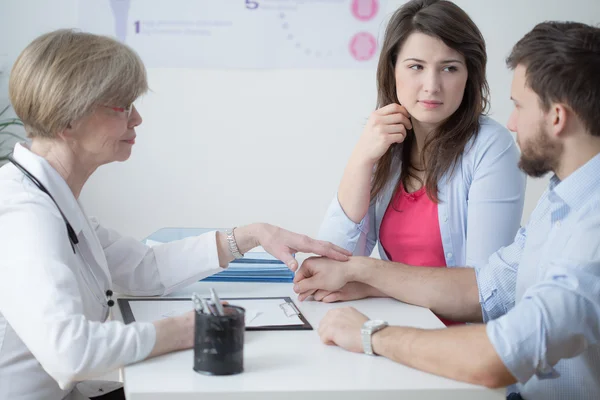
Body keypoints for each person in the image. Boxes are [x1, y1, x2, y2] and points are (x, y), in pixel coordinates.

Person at [0, 29, 351, 400]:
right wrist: (187, 330)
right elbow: (71, 354)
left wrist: (253, 234)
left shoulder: (52, 197)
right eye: (122, 106)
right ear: (67, 119)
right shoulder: (22, 214)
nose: (137, 119)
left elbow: (145, 270)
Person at [294, 20, 600, 400]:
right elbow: (485, 288)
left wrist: (371, 333)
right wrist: (362, 269)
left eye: (519, 106)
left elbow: (497, 356)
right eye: (416, 66)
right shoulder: (561, 202)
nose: (511, 123)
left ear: (557, 117)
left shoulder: (592, 233)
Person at [317, 0, 526, 321]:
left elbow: (485, 292)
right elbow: (330, 263)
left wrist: (370, 279)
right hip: (399, 327)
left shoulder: (492, 146)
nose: (432, 86)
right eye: (416, 66)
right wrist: (361, 159)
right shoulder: (384, 141)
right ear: (393, 69)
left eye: (449, 68)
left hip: (462, 343)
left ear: (470, 75)